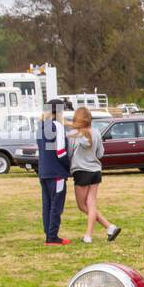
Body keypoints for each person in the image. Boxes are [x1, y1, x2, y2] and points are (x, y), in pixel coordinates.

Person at [68, 106, 121, 244]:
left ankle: (89, 235)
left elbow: (69, 152)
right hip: (95, 171)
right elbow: (100, 154)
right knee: (91, 204)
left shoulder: (75, 134)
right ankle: (109, 227)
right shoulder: (97, 133)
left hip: (81, 171)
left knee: (82, 206)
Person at [36, 99, 71, 244]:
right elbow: (61, 152)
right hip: (56, 171)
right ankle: (52, 236)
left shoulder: (41, 126)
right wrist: (68, 167)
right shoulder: (57, 126)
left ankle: (48, 234)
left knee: (47, 205)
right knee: (56, 205)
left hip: (43, 170)